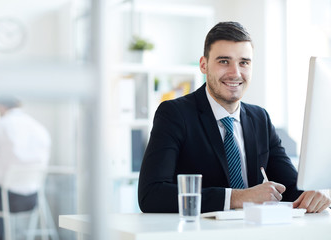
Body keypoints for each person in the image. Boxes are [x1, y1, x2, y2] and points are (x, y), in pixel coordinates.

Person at [138, 21, 331, 214]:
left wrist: (318, 193)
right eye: (224, 61)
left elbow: (292, 189)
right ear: (204, 65)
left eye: (244, 62)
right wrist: (238, 197)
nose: (235, 73)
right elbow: (151, 194)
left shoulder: (260, 118)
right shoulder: (174, 114)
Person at [0, 95, 51, 240]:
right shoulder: (38, 127)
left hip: (9, 200)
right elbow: (22, 160)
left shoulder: (1, 125)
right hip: (32, 200)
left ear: (1, 106)